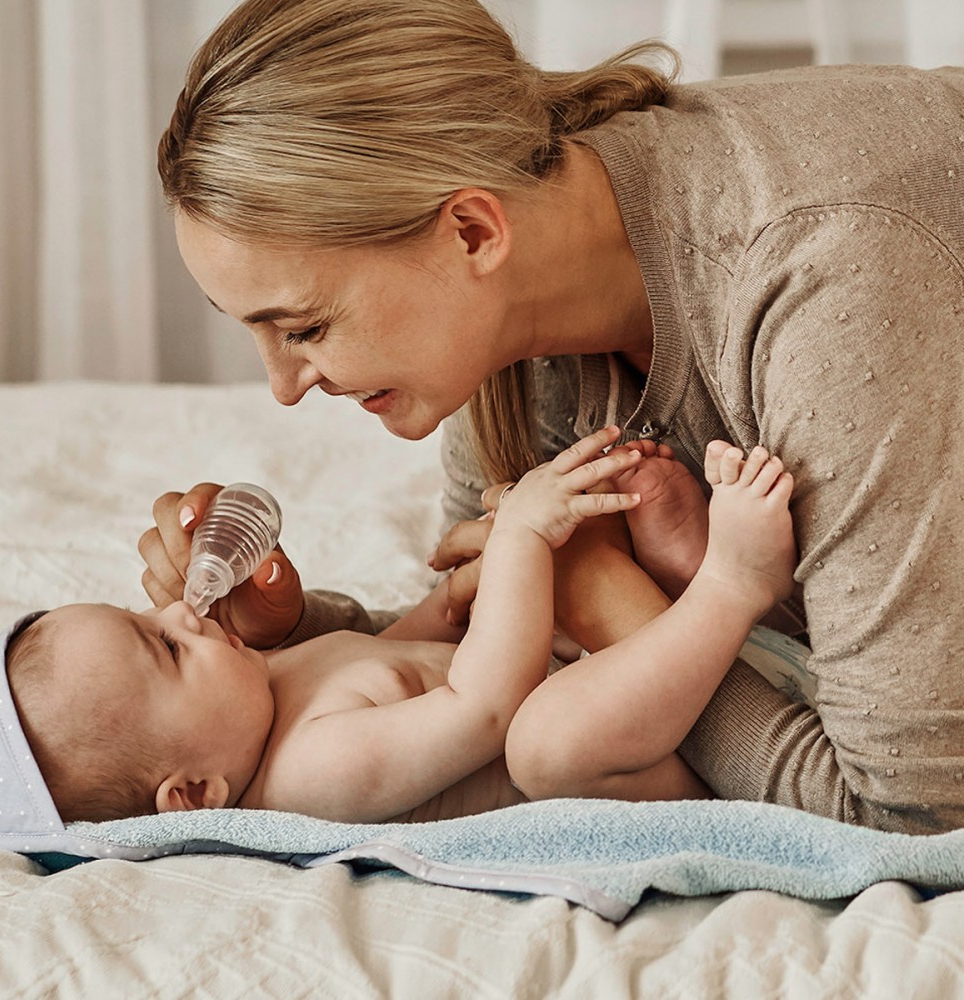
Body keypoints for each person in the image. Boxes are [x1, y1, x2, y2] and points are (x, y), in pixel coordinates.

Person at [142, 0, 964, 833]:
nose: (283, 389)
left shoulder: (830, 292)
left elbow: (909, 812)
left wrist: (611, 601)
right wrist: (287, 634)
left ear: (471, 232)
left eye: (305, 328)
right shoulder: (510, 319)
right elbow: (490, 658)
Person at [0, 434, 796, 826]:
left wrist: (447, 608)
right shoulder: (308, 774)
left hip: (617, 692)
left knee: (544, 591)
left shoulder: (261, 694)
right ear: (196, 793)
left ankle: (664, 585)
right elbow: (483, 704)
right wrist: (520, 537)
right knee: (546, 741)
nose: (176, 611)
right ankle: (731, 587)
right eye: (165, 649)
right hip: (640, 766)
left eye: (142, 615)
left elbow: (380, 662)